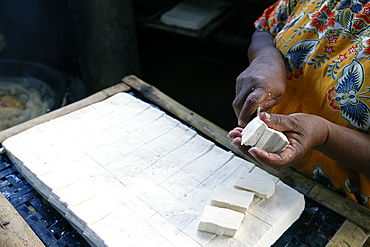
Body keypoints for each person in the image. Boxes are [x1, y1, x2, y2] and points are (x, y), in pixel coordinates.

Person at [228, 0, 370, 208]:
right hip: (269, 169)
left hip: (345, 205)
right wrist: (266, 59)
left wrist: (326, 135)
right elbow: (265, 29)